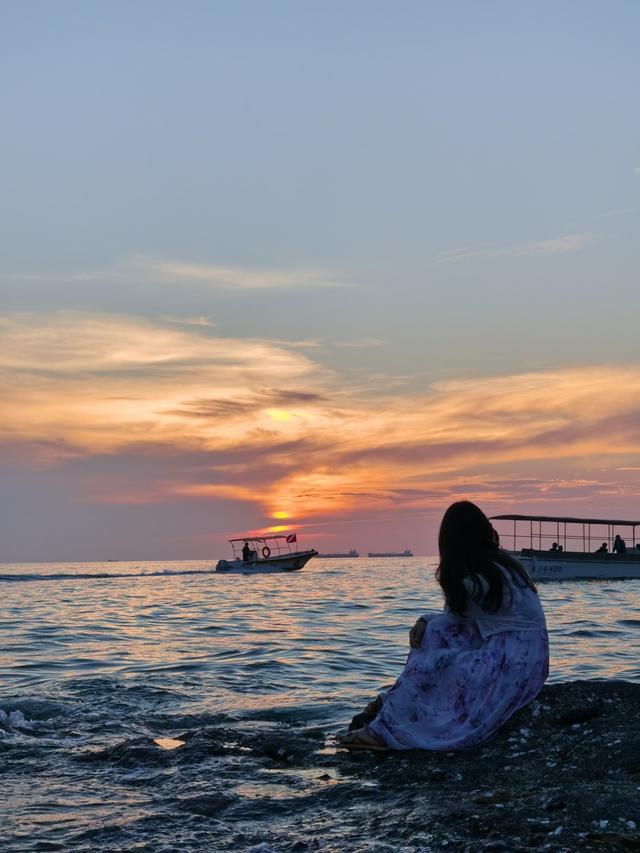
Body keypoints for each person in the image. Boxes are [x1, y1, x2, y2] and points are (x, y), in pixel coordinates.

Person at [338, 500, 549, 752]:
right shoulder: (501, 566)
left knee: (434, 637)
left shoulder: (479, 578)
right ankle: (394, 703)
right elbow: (459, 617)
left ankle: (386, 726)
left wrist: (426, 623)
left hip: (510, 664)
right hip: (528, 660)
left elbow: (452, 618)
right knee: (436, 632)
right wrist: (426, 619)